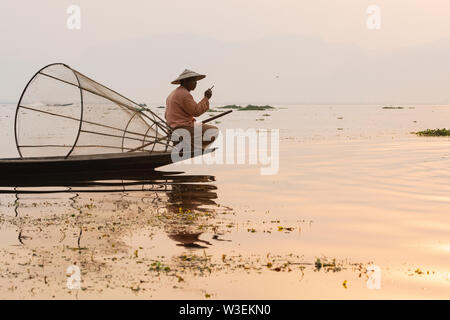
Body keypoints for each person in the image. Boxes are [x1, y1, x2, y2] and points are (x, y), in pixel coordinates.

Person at [165, 69, 218, 150]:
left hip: (172, 129)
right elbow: (196, 111)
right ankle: (193, 147)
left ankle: (188, 145)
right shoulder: (184, 94)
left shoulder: (173, 94)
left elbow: (167, 115)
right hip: (182, 129)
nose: (196, 83)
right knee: (214, 131)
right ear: (185, 81)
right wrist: (206, 98)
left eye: (196, 81)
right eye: (193, 81)